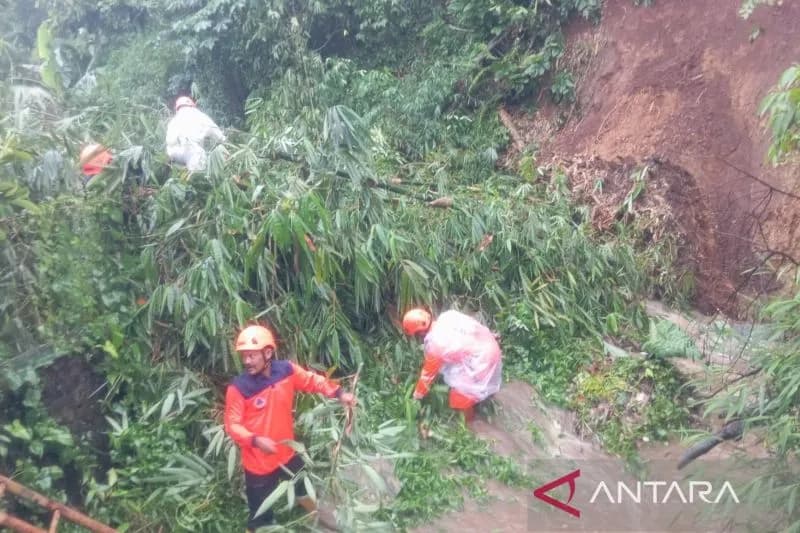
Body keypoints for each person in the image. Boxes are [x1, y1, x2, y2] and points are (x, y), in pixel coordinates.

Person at [224, 324, 355, 532]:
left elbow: (313, 381)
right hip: (258, 463)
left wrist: (339, 394)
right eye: (244, 356)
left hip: (287, 452)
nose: (246, 361)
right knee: (259, 514)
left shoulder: (286, 370)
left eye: (251, 356)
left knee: (302, 486)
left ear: (268, 352)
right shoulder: (239, 388)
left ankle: (317, 515)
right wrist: (255, 440)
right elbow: (232, 425)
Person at [402, 308, 503, 422]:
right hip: (489, 344)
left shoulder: (435, 345)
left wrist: (417, 396)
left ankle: (468, 425)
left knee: (459, 399)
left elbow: (427, 375)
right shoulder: (448, 316)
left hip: (482, 360)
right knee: (478, 383)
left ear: (420, 332)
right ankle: (485, 398)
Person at [165, 96, 225, 172]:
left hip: (174, 153)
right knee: (198, 155)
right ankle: (195, 176)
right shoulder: (200, 115)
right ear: (192, 105)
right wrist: (224, 141)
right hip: (194, 152)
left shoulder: (173, 121)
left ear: (177, 108)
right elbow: (216, 132)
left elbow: (169, 141)